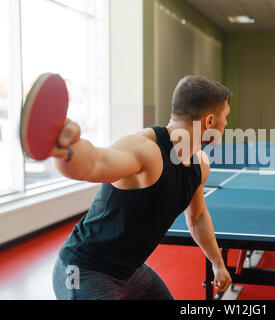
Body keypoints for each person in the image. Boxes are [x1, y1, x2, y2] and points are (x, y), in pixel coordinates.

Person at [52, 75, 232, 300]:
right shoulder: (146, 150)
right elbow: (96, 163)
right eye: (225, 117)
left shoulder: (199, 164)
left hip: (131, 271)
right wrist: (67, 150)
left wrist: (217, 263)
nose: (226, 124)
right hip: (83, 269)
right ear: (209, 122)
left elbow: (197, 217)